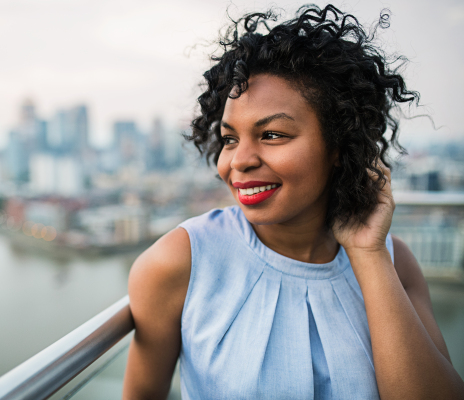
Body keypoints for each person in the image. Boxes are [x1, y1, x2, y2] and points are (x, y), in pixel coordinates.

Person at [122, 4, 464, 399]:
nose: (240, 160)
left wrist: (368, 254)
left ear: (340, 145)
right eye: (230, 138)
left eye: (272, 135)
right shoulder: (179, 262)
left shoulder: (394, 261)